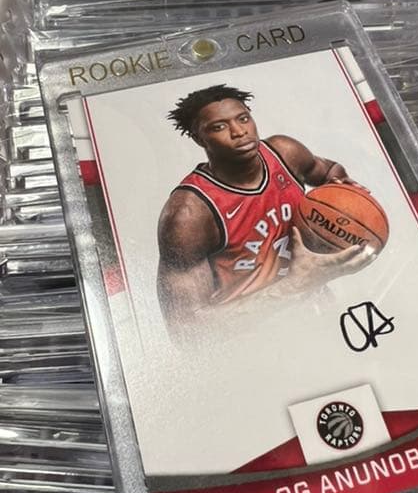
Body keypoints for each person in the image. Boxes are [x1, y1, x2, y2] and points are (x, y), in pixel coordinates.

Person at [157, 84, 377, 334]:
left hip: (318, 315)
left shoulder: (284, 153)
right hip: (256, 339)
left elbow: (326, 171)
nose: (239, 132)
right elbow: (186, 329)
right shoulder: (190, 214)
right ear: (199, 138)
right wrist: (293, 286)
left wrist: (344, 189)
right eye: (219, 127)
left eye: (243, 119)